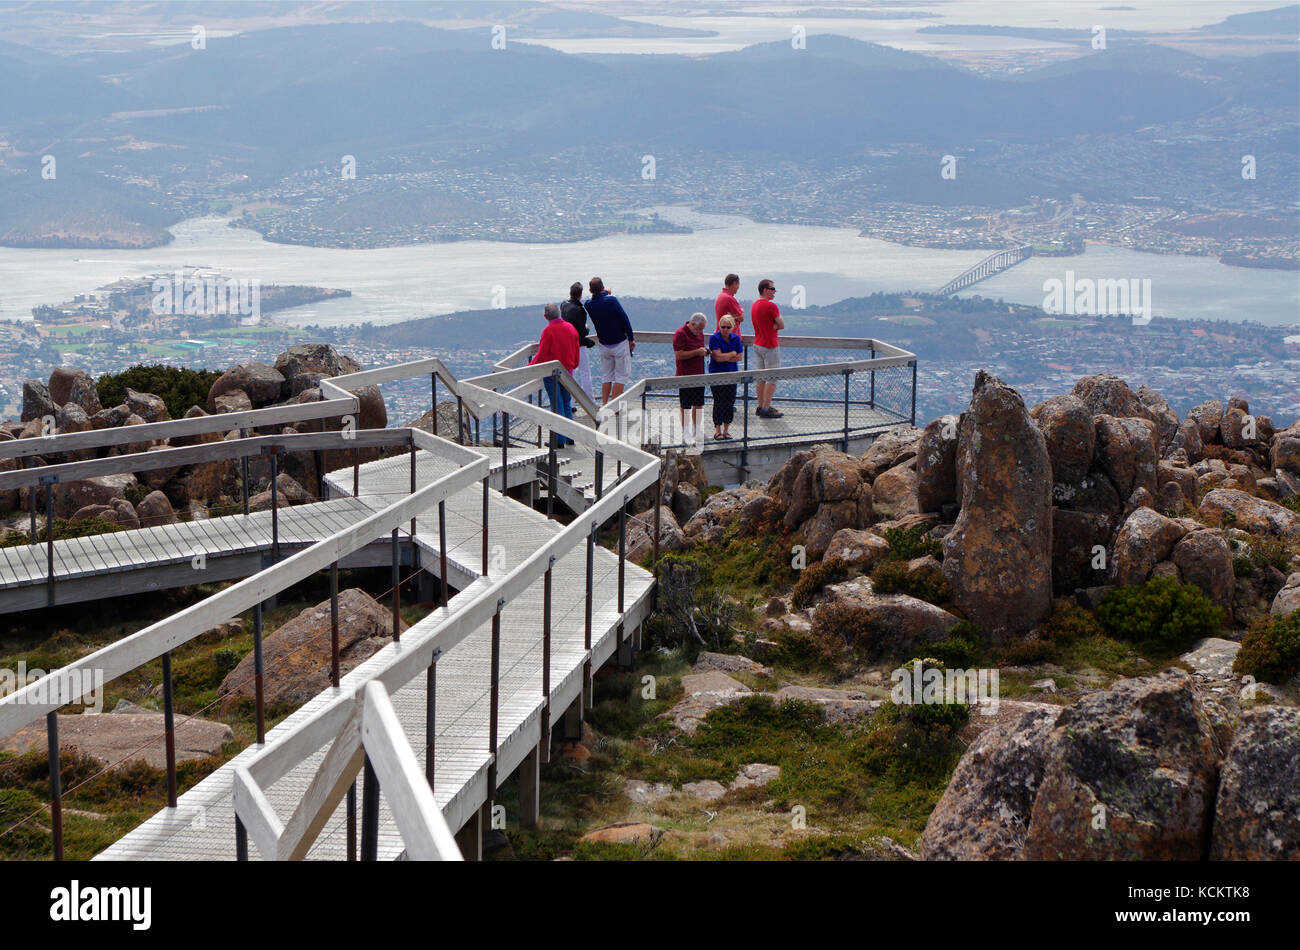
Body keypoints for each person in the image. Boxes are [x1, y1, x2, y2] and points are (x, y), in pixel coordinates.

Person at [529, 301, 579, 447]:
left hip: (552, 374)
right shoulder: (571, 328)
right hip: (568, 372)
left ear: (546, 317)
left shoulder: (548, 331)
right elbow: (576, 351)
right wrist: (573, 365)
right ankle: (570, 436)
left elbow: (542, 355)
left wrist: (530, 367)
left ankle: (559, 440)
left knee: (556, 405)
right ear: (559, 313)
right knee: (566, 403)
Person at [583, 277, 636, 405]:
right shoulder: (612, 301)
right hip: (619, 343)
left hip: (603, 345)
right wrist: (631, 338)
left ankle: (605, 404)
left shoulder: (588, 305)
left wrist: (604, 292)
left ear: (590, 290)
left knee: (607, 376)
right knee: (621, 377)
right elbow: (624, 319)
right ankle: (614, 407)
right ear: (602, 288)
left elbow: (597, 298)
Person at [749, 278, 784, 418]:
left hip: (758, 344)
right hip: (769, 344)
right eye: (772, 289)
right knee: (772, 378)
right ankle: (766, 408)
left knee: (761, 377)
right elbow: (781, 324)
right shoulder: (771, 306)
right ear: (765, 290)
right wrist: (773, 327)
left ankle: (760, 405)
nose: (775, 292)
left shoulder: (754, 305)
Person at [673, 312, 709, 445]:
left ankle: (697, 430)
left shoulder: (699, 333)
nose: (700, 332)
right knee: (686, 405)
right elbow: (679, 355)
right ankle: (685, 433)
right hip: (685, 374)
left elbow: (699, 348)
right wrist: (697, 352)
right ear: (692, 324)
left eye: (702, 330)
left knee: (699, 404)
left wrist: (703, 351)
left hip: (699, 374)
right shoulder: (680, 334)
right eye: (699, 329)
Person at [708, 315, 743, 441]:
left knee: (729, 401)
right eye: (723, 327)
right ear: (719, 326)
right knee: (719, 401)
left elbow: (739, 357)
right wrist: (732, 354)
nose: (725, 329)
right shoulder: (714, 338)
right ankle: (717, 430)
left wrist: (725, 356)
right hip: (717, 374)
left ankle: (726, 430)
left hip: (732, 374)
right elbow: (717, 357)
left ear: (732, 327)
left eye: (728, 327)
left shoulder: (736, 338)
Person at [560, 282, 596, 401]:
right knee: (585, 373)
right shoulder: (579, 310)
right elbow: (582, 332)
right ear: (580, 295)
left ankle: (570, 403)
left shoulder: (563, 305)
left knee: (571, 374)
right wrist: (587, 328)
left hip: (566, 344)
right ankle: (589, 400)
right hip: (578, 345)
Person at [714, 273, 744, 338]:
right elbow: (741, 317)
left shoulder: (720, 296)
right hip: (730, 338)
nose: (738, 287)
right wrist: (742, 311)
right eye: (738, 284)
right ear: (734, 283)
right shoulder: (729, 298)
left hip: (720, 334)